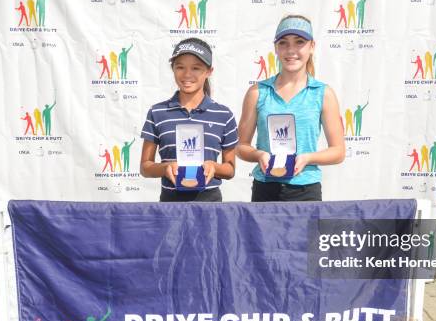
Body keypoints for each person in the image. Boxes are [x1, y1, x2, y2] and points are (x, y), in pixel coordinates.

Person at [237, 15, 345, 202]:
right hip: (265, 188)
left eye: (299, 42)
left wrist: (307, 158)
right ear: (276, 48)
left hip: (306, 190)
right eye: (284, 43)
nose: (291, 50)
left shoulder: (323, 93)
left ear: (312, 47)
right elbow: (240, 147)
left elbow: (338, 151)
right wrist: (259, 154)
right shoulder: (257, 92)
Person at [140, 37, 238, 202]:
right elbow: (145, 167)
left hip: (210, 204)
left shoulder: (224, 115)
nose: (187, 74)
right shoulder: (157, 112)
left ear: (209, 71)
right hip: (170, 204)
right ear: (173, 69)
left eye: (196, 68)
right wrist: (165, 168)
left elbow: (230, 169)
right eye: (180, 67)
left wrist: (213, 167)